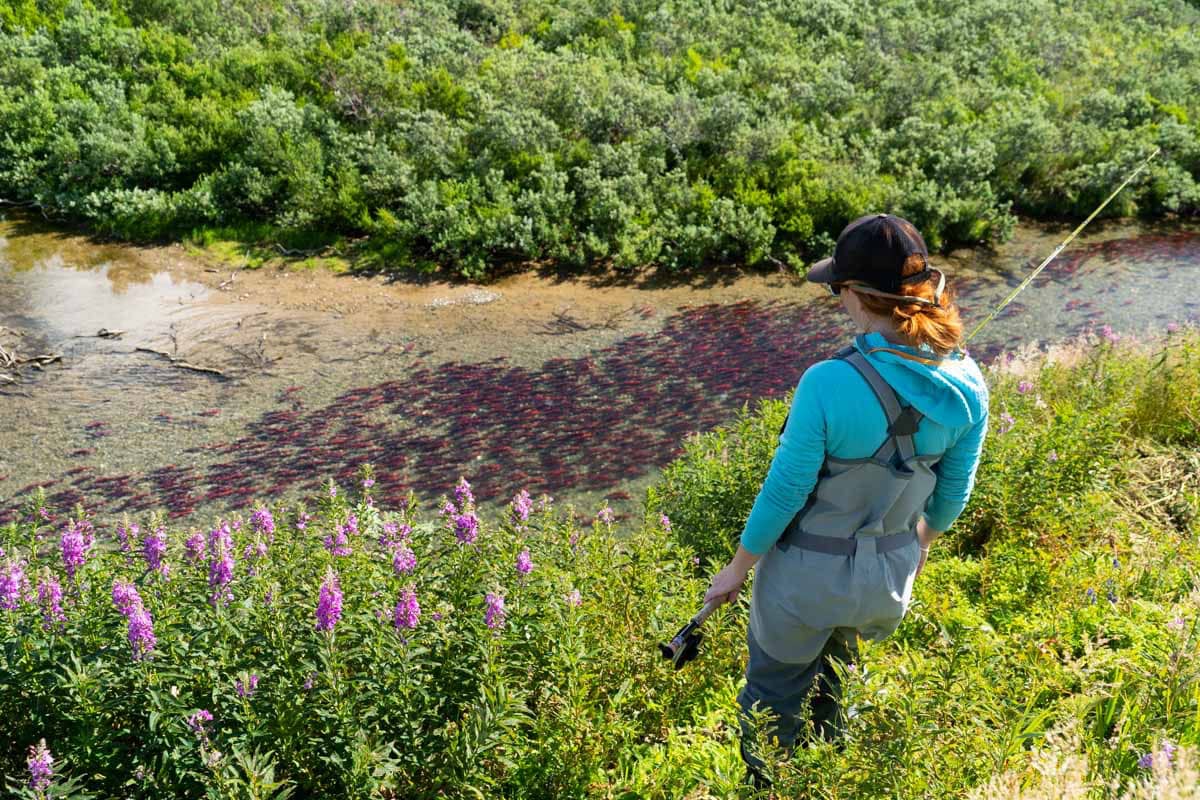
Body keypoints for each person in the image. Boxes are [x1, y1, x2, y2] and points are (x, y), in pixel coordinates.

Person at [702, 213, 990, 785]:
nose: (837, 300)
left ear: (858, 294)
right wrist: (919, 546)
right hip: (885, 581)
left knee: (771, 699)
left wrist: (735, 571)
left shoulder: (826, 382)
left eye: (838, 288)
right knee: (841, 679)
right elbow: (953, 494)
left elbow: (785, 491)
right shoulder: (969, 382)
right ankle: (834, 776)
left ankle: (768, 790)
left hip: (802, 582)